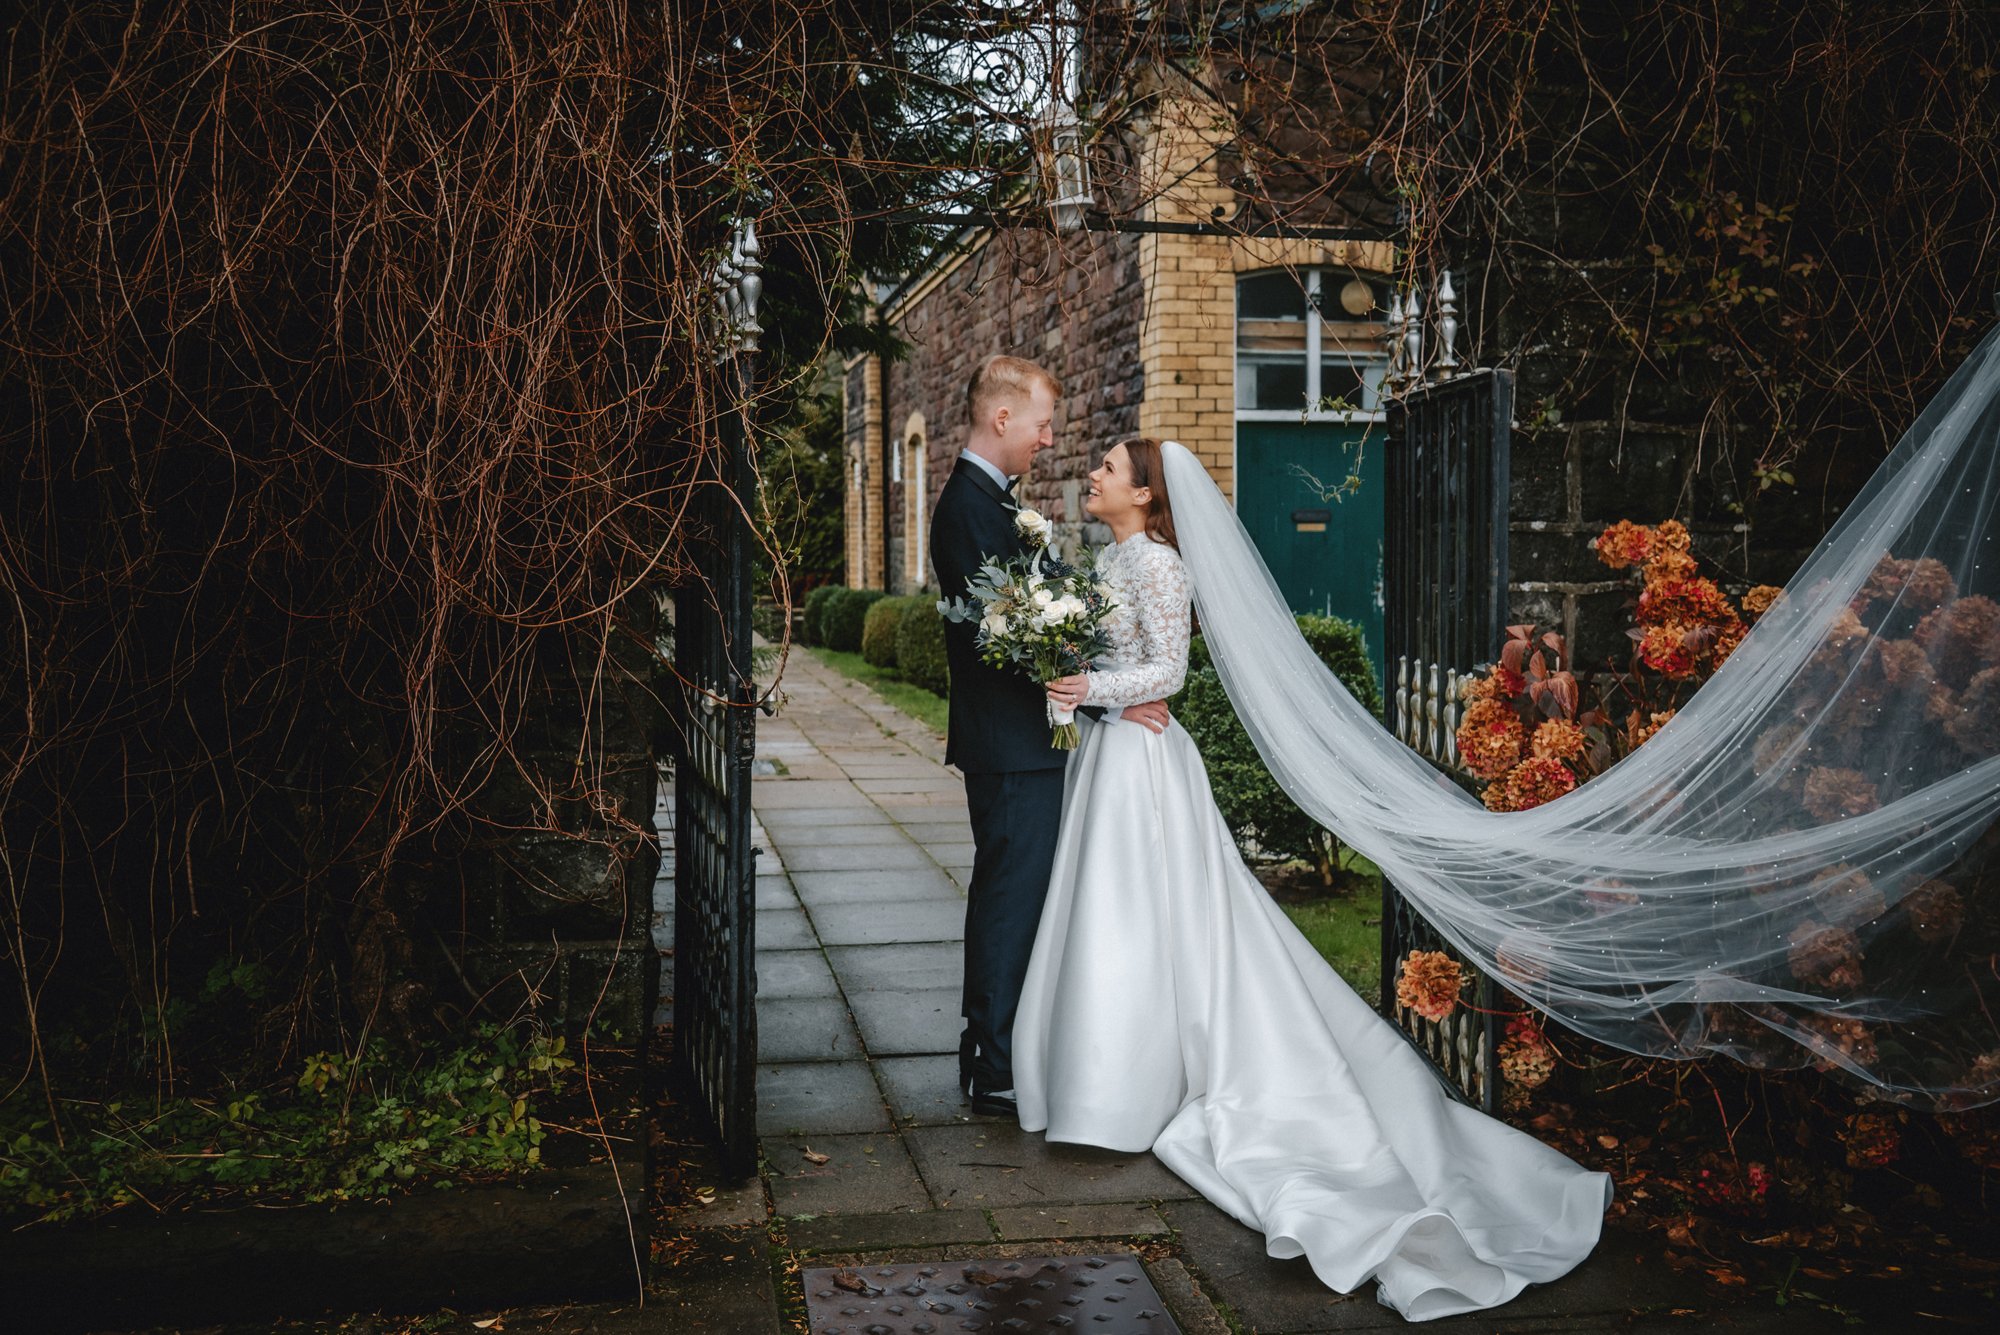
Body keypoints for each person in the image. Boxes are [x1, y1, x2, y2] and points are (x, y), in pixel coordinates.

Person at [1018, 437, 1611, 1322]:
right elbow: (1124, 667)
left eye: (1108, 467)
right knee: (1112, 919)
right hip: (1113, 754)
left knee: (1142, 918)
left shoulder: (1161, 567)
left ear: (1146, 493)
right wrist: (1077, 683)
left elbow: (1170, 672)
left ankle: (1126, 1086)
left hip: (1143, 762)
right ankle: (1094, 1077)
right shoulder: (1111, 558)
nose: (1093, 475)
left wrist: (1088, 684)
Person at [927, 356, 1171, 1116]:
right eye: (1041, 424)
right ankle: (994, 1062)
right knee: (1010, 897)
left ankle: (999, 1047)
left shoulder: (992, 503)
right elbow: (1011, 642)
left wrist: (1099, 691)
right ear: (1003, 420)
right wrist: (1103, 701)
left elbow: (1039, 628)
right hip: (1010, 743)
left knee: (1020, 895)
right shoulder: (969, 508)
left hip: (1023, 741)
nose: (1049, 438)